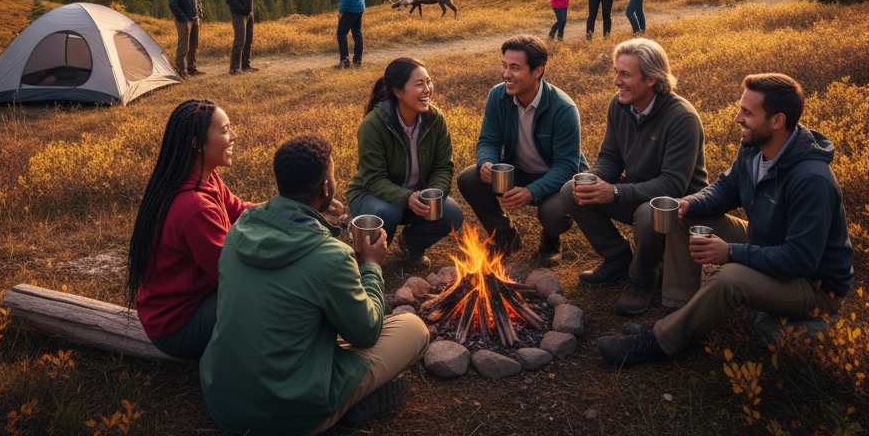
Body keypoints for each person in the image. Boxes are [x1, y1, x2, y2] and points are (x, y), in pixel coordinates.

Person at [598, 73, 853, 367]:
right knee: (686, 220)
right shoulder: (756, 148)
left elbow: (802, 259)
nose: (737, 118)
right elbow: (726, 189)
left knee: (729, 279)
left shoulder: (811, 180)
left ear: (777, 121)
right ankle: (677, 317)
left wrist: (730, 252)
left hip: (814, 285)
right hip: (767, 241)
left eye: (747, 112)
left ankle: (658, 342)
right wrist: (687, 204)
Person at [200, 134, 431, 435]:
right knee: (413, 328)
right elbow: (366, 333)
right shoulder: (331, 257)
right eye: (333, 177)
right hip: (289, 415)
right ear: (326, 188)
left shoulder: (238, 229)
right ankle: (348, 404)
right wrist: (372, 265)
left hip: (222, 397)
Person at [559, 38, 707, 315]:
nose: (616, 81)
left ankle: (643, 278)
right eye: (616, 72)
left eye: (625, 74)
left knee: (647, 213)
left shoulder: (682, 118)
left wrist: (614, 193)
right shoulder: (620, 105)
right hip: (638, 192)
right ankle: (618, 259)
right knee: (571, 190)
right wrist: (595, 181)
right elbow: (611, 157)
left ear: (652, 79)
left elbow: (673, 184)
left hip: (680, 207)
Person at [128, 99, 255, 360]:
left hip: (184, 307)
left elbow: (240, 211)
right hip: (176, 327)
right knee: (271, 296)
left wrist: (293, 206)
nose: (234, 136)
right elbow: (234, 275)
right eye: (224, 130)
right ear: (197, 144)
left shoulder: (203, 176)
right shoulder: (194, 207)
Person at [456, 35, 585, 266]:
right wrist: (487, 162)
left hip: (556, 177)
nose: (506, 74)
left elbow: (567, 167)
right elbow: (489, 140)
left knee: (555, 214)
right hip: (518, 170)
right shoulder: (498, 95)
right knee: (469, 178)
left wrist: (531, 192)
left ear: (537, 71)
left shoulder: (563, 109)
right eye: (504, 66)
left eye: (515, 68)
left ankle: (550, 240)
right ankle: (505, 236)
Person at [346, 57, 465, 271]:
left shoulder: (435, 119)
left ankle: (411, 244)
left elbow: (443, 166)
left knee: (450, 213)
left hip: (414, 196)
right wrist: (405, 197)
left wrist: (433, 194)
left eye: (428, 82)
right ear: (398, 92)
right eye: (419, 84)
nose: (427, 89)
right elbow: (373, 180)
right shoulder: (373, 125)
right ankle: (365, 262)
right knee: (388, 213)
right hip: (372, 195)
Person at [224, 0, 297, 76]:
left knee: (248, 40)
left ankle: (246, 65)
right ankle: (234, 68)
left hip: (248, 13)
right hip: (239, 15)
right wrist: (242, 8)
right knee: (239, 41)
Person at [167, 0, 201, 78]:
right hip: (183, 20)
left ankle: (192, 68)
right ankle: (181, 71)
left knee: (194, 45)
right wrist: (183, 18)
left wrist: (199, 13)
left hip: (194, 17)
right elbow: (173, 4)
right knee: (183, 46)